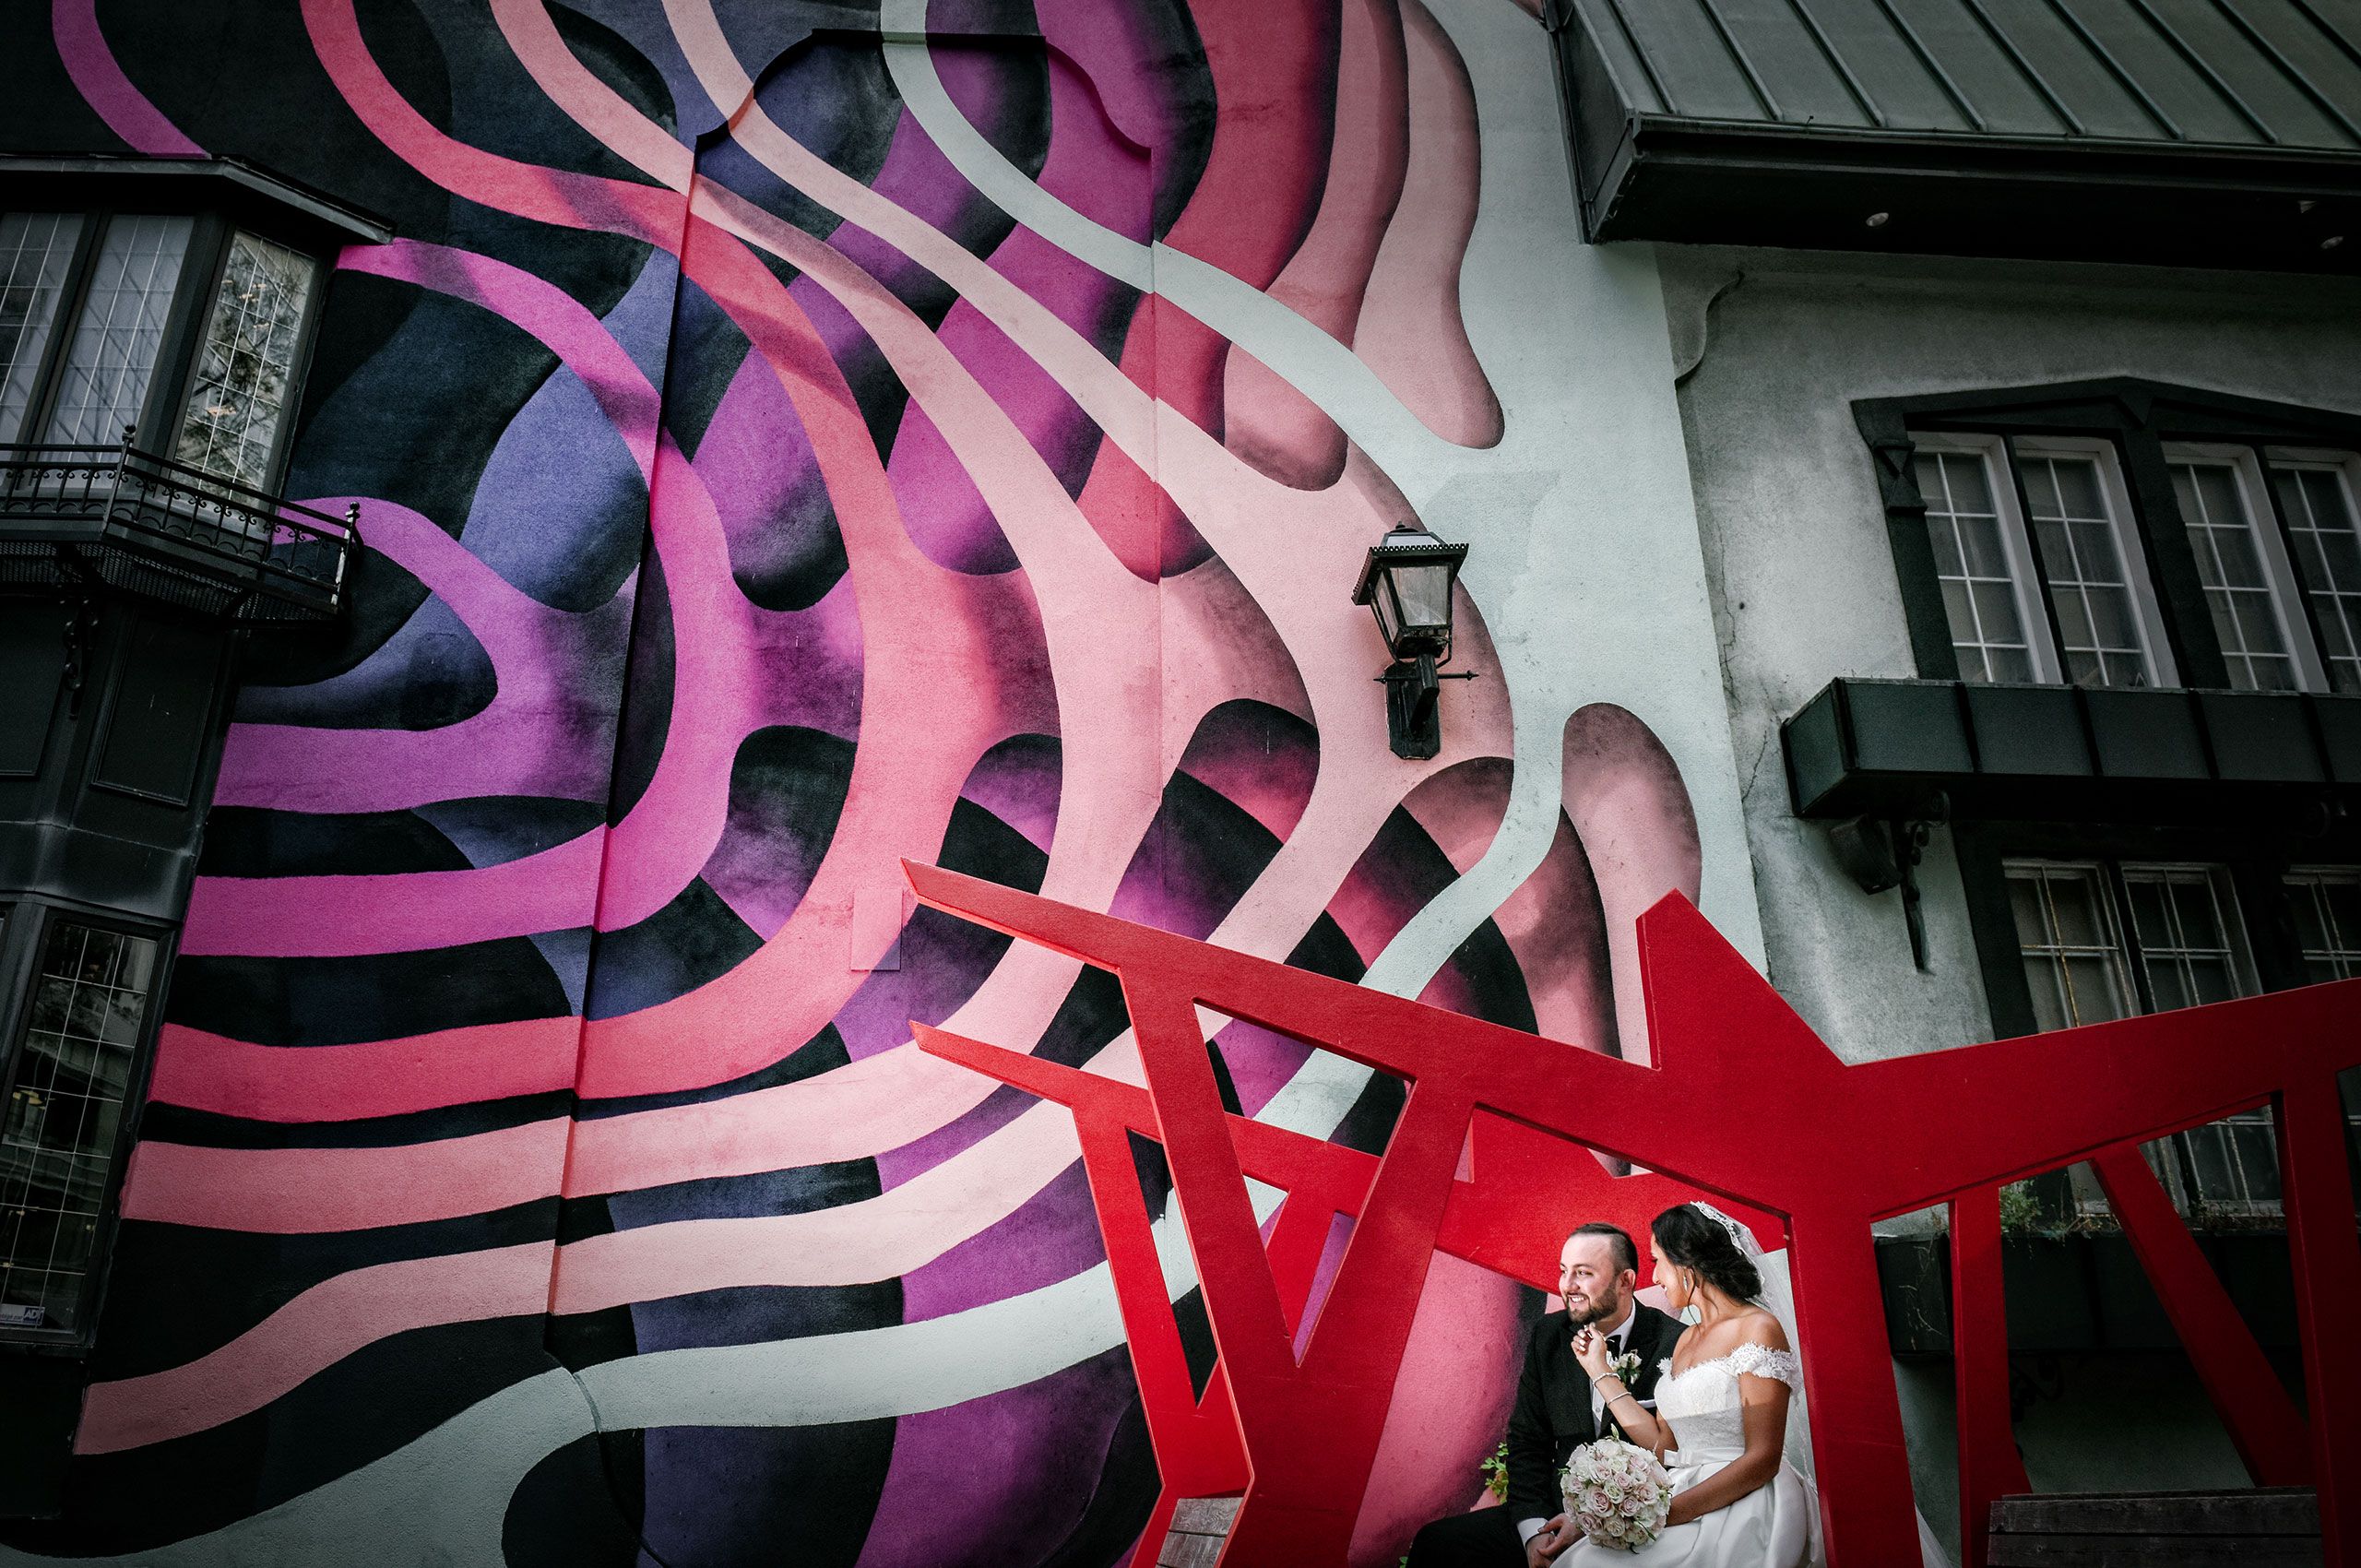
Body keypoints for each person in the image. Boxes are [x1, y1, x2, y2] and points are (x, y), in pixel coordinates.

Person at [1533, 1203, 1818, 1567]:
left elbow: (1763, 1458)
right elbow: (1664, 1446)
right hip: (1679, 1493)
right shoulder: (1685, 1340)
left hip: (1741, 1503)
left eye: (1657, 1262)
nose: (1653, 1278)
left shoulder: (1757, 1328)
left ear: (1685, 1263)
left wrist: (1666, 1515)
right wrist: (1599, 1371)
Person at [1406, 1223, 1683, 1568]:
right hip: (1551, 1513)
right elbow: (1527, 1441)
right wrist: (1534, 1532)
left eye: (1583, 1273)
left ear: (1625, 1281)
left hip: (1632, 1523)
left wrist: (1590, 1522)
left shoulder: (1675, 1343)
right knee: (1438, 1544)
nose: (1568, 1286)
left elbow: (1675, 1458)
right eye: (1564, 1272)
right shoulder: (1549, 1334)